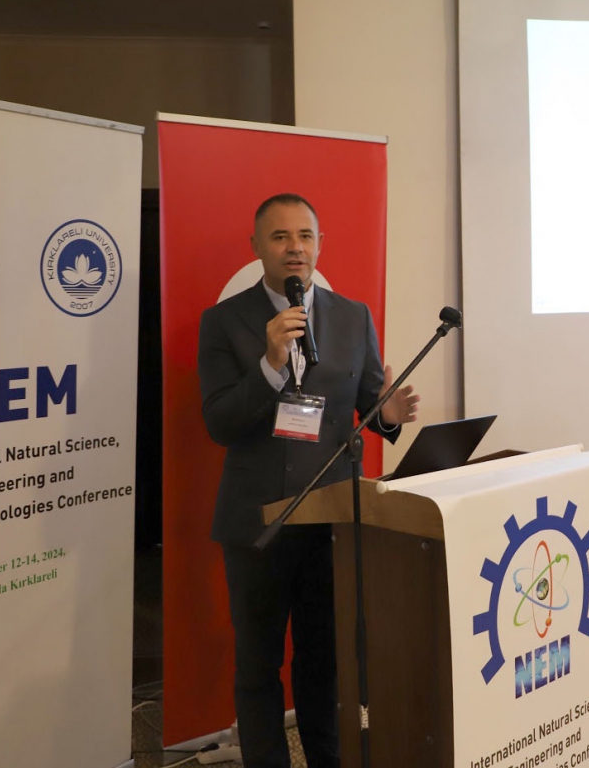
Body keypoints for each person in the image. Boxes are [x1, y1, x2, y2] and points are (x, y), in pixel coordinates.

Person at [197, 193, 418, 768]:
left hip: (332, 517)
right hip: (257, 521)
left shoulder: (353, 315)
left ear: (320, 245)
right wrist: (270, 364)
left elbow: (368, 404)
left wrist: (388, 416)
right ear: (256, 246)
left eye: (305, 236)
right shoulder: (223, 321)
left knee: (325, 659)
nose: (294, 248)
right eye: (280, 237)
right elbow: (219, 423)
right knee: (259, 663)